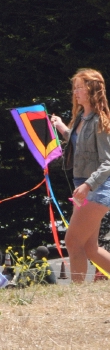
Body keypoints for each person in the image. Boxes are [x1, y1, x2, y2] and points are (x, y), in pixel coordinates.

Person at [51, 68, 110, 283]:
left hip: (97, 188)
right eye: (74, 88)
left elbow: (108, 161)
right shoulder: (79, 119)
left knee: (73, 241)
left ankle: (77, 295)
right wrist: (60, 127)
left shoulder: (100, 122)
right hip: (84, 186)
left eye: (79, 88)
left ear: (92, 90)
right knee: (90, 248)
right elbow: (78, 144)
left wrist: (88, 185)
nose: (75, 92)